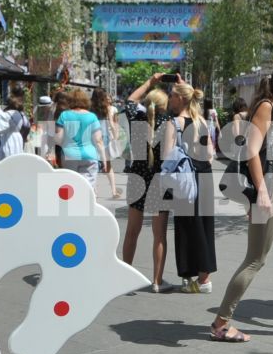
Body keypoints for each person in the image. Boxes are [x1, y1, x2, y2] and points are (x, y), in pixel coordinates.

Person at [210, 64, 273, 342]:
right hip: (269, 189)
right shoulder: (265, 107)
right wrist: (262, 191)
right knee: (255, 259)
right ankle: (221, 323)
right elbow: (252, 151)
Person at [119, 88, 173, 291]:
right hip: (159, 179)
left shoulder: (137, 118)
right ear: (163, 106)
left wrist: (151, 81)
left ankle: (126, 276)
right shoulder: (167, 121)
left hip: (137, 176)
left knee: (132, 231)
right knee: (159, 235)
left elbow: (130, 99)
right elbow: (188, 98)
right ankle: (157, 281)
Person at [169, 84, 218, 294]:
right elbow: (210, 154)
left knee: (187, 226)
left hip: (185, 178)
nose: (169, 98)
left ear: (180, 98)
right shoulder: (202, 122)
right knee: (204, 225)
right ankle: (203, 277)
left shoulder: (175, 123)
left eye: (171, 95)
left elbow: (167, 156)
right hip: (205, 175)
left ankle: (194, 278)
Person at [55, 87, 109, 187]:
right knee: (87, 189)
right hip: (89, 156)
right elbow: (98, 140)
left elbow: (58, 139)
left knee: (70, 188)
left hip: (69, 156)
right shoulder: (92, 116)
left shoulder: (64, 115)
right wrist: (104, 159)